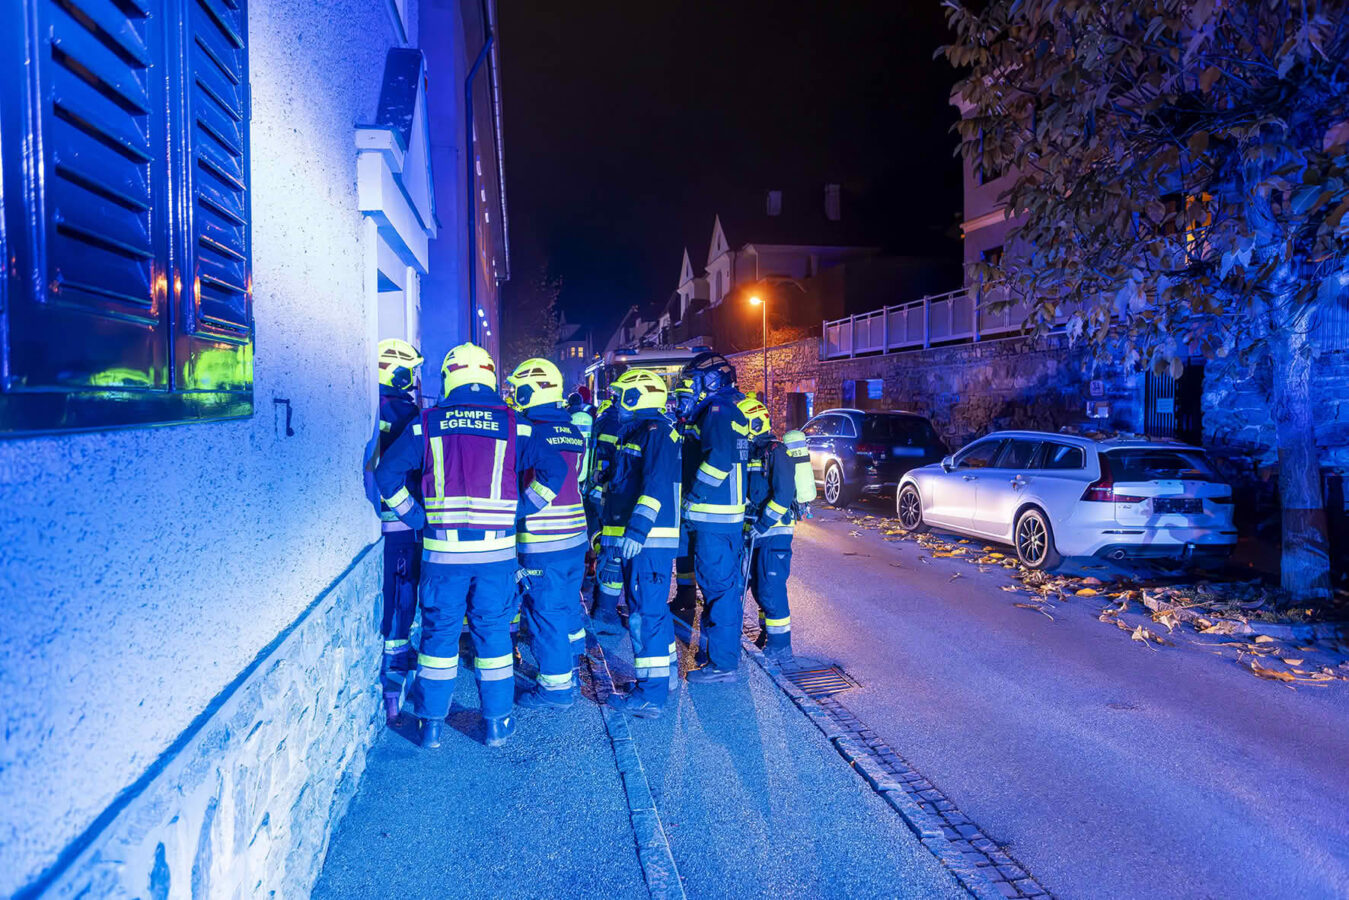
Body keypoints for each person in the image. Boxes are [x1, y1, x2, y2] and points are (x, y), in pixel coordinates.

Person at [375, 342, 563, 749]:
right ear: (491, 377)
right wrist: (521, 510)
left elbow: (387, 474)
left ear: (450, 377)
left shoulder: (426, 422)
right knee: (493, 638)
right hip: (496, 559)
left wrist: (414, 516)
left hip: (443, 558)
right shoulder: (516, 424)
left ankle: (430, 727)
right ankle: (497, 724)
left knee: (438, 638)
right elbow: (557, 469)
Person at [599, 369, 682, 718]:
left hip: (647, 541)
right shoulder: (641, 431)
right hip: (645, 540)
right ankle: (664, 679)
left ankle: (650, 694)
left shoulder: (656, 432)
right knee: (652, 610)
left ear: (637, 397)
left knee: (643, 614)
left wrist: (636, 531)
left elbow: (655, 485)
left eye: (623, 396)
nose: (618, 402)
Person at [509, 360, 590, 708]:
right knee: (566, 605)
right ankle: (570, 663)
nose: (515, 394)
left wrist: (519, 510)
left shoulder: (528, 430)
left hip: (543, 539)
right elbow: (580, 478)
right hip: (575, 537)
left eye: (518, 388)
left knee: (546, 613)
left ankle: (556, 689)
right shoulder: (572, 429)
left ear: (532, 389)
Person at [675, 352, 750, 683]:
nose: (689, 390)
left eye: (693, 382)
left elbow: (718, 462)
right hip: (723, 520)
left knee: (719, 591)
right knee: (721, 589)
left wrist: (693, 498)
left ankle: (723, 665)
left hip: (713, 519)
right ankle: (717, 653)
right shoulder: (727, 410)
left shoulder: (717, 412)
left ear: (711, 381)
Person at [370, 339, 425, 724]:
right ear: (401, 373)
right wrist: (416, 516)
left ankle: (394, 672)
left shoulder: (365, 403)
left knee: (391, 593)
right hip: (401, 525)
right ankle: (395, 681)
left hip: (375, 522)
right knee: (403, 596)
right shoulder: (406, 412)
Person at [739, 395, 797, 661]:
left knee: (771, 587)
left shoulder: (777, 452)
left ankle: (781, 646)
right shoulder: (751, 451)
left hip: (774, 533)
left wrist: (762, 524)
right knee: (758, 586)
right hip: (757, 533)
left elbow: (784, 495)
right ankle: (767, 634)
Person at [586, 394, 626, 633]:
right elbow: (614, 463)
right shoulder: (618, 425)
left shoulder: (602, 420)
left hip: (593, 492)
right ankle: (605, 611)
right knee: (612, 554)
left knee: (600, 542)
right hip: (606, 494)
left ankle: (603, 606)